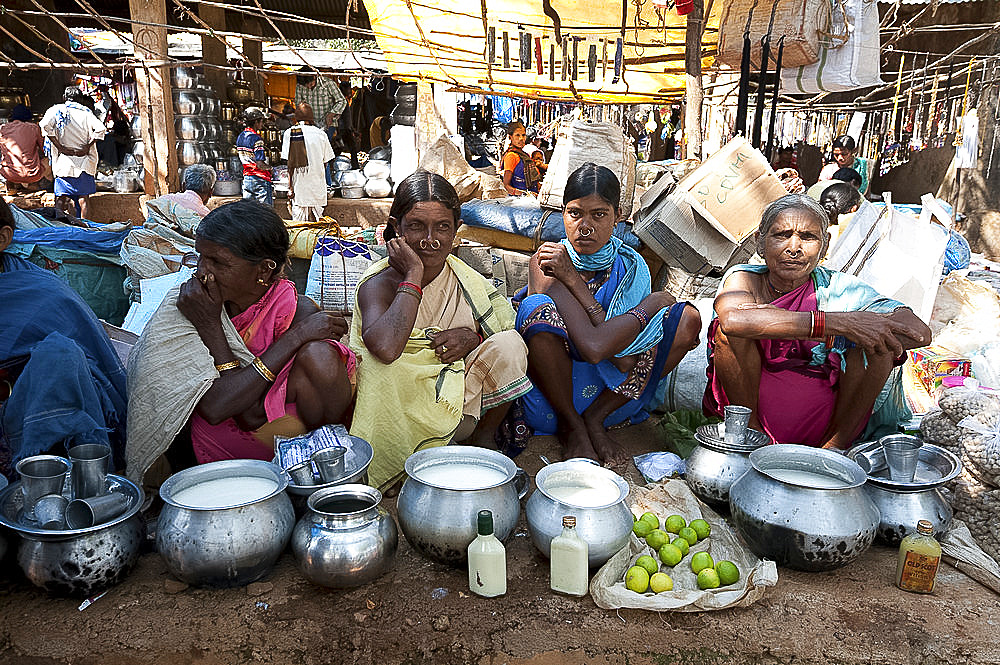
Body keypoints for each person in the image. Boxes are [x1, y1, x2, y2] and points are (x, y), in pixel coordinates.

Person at [125, 200, 356, 481]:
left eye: (218, 262)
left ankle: (319, 471)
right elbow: (216, 408)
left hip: (282, 447)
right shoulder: (192, 304)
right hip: (205, 448)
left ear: (263, 270)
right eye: (200, 257)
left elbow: (251, 416)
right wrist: (212, 325)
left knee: (322, 356)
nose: (202, 271)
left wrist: (296, 336)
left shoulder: (296, 312)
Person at [703, 194, 931, 450]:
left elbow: (919, 333)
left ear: (824, 247)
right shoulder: (744, 279)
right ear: (760, 242)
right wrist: (838, 325)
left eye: (809, 237)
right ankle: (751, 439)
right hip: (751, 415)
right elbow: (734, 320)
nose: (794, 247)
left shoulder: (839, 288)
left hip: (829, 421)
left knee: (879, 345)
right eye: (781, 235)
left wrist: (855, 331)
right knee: (727, 334)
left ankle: (835, 449)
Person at [350, 171, 531, 490]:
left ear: (456, 230)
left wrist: (472, 338)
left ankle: (479, 442)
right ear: (396, 227)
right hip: (398, 416)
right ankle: (402, 460)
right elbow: (387, 349)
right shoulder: (377, 283)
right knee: (382, 369)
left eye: (442, 227)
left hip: (457, 406)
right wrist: (414, 274)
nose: (430, 239)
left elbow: (498, 332)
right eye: (417, 226)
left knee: (511, 344)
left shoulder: (466, 280)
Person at [514, 163, 702, 463]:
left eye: (599, 214)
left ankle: (594, 419)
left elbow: (623, 356)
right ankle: (573, 427)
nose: (585, 226)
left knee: (686, 319)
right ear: (563, 214)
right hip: (556, 399)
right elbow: (595, 348)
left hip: (614, 396)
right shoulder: (548, 261)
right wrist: (648, 306)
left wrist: (617, 334)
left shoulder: (631, 268)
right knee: (536, 307)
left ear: (617, 217)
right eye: (575, 213)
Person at [0, 196, 127, 480]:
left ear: (3, 238)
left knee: (61, 355)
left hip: (33, 419)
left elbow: (93, 359)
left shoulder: (43, 291)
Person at [40, 87, 106, 219]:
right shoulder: (86, 113)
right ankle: (86, 229)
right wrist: (87, 146)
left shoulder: (56, 110)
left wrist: (60, 147)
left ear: (65, 98)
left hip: (64, 162)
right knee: (83, 198)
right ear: (80, 99)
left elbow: (44, 125)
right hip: (84, 162)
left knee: (60, 198)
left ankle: (59, 227)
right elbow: (100, 129)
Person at [281, 102, 334, 223]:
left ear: (296, 117)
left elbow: (290, 164)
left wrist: (290, 187)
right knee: (319, 225)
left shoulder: (290, 133)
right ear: (312, 118)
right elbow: (326, 163)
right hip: (317, 186)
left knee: (299, 225)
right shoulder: (321, 134)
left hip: (299, 188)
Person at [0, 104, 47, 193]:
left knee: (4, 158)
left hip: (8, 174)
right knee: (49, 160)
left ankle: (11, 186)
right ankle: (34, 185)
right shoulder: (34, 128)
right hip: (32, 175)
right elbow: (45, 149)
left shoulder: (2, 128)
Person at [236, 107, 272, 206]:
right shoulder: (256, 139)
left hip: (247, 178)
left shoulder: (240, 137)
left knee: (248, 210)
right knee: (265, 212)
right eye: (261, 121)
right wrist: (270, 168)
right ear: (256, 122)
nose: (262, 124)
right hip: (259, 179)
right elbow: (260, 164)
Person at [502, 121, 543, 197]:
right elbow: (506, 186)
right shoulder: (511, 156)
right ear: (510, 137)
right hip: (519, 201)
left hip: (532, 198)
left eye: (523, 135)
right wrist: (525, 194)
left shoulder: (525, 155)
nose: (521, 138)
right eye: (517, 135)